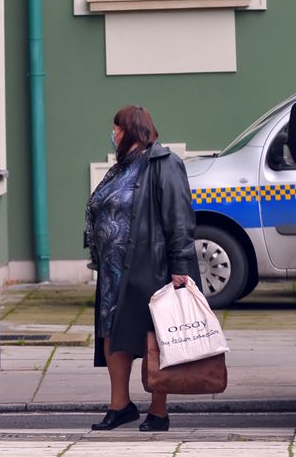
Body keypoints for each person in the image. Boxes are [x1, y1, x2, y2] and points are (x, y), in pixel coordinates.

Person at [83, 105, 201, 432]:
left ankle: (159, 411)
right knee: (113, 336)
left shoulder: (165, 164)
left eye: (117, 129)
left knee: (154, 338)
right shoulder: (119, 168)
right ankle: (119, 405)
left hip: (151, 267)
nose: (113, 135)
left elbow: (180, 217)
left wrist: (180, 265)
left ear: (132, 131)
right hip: (114, 272)